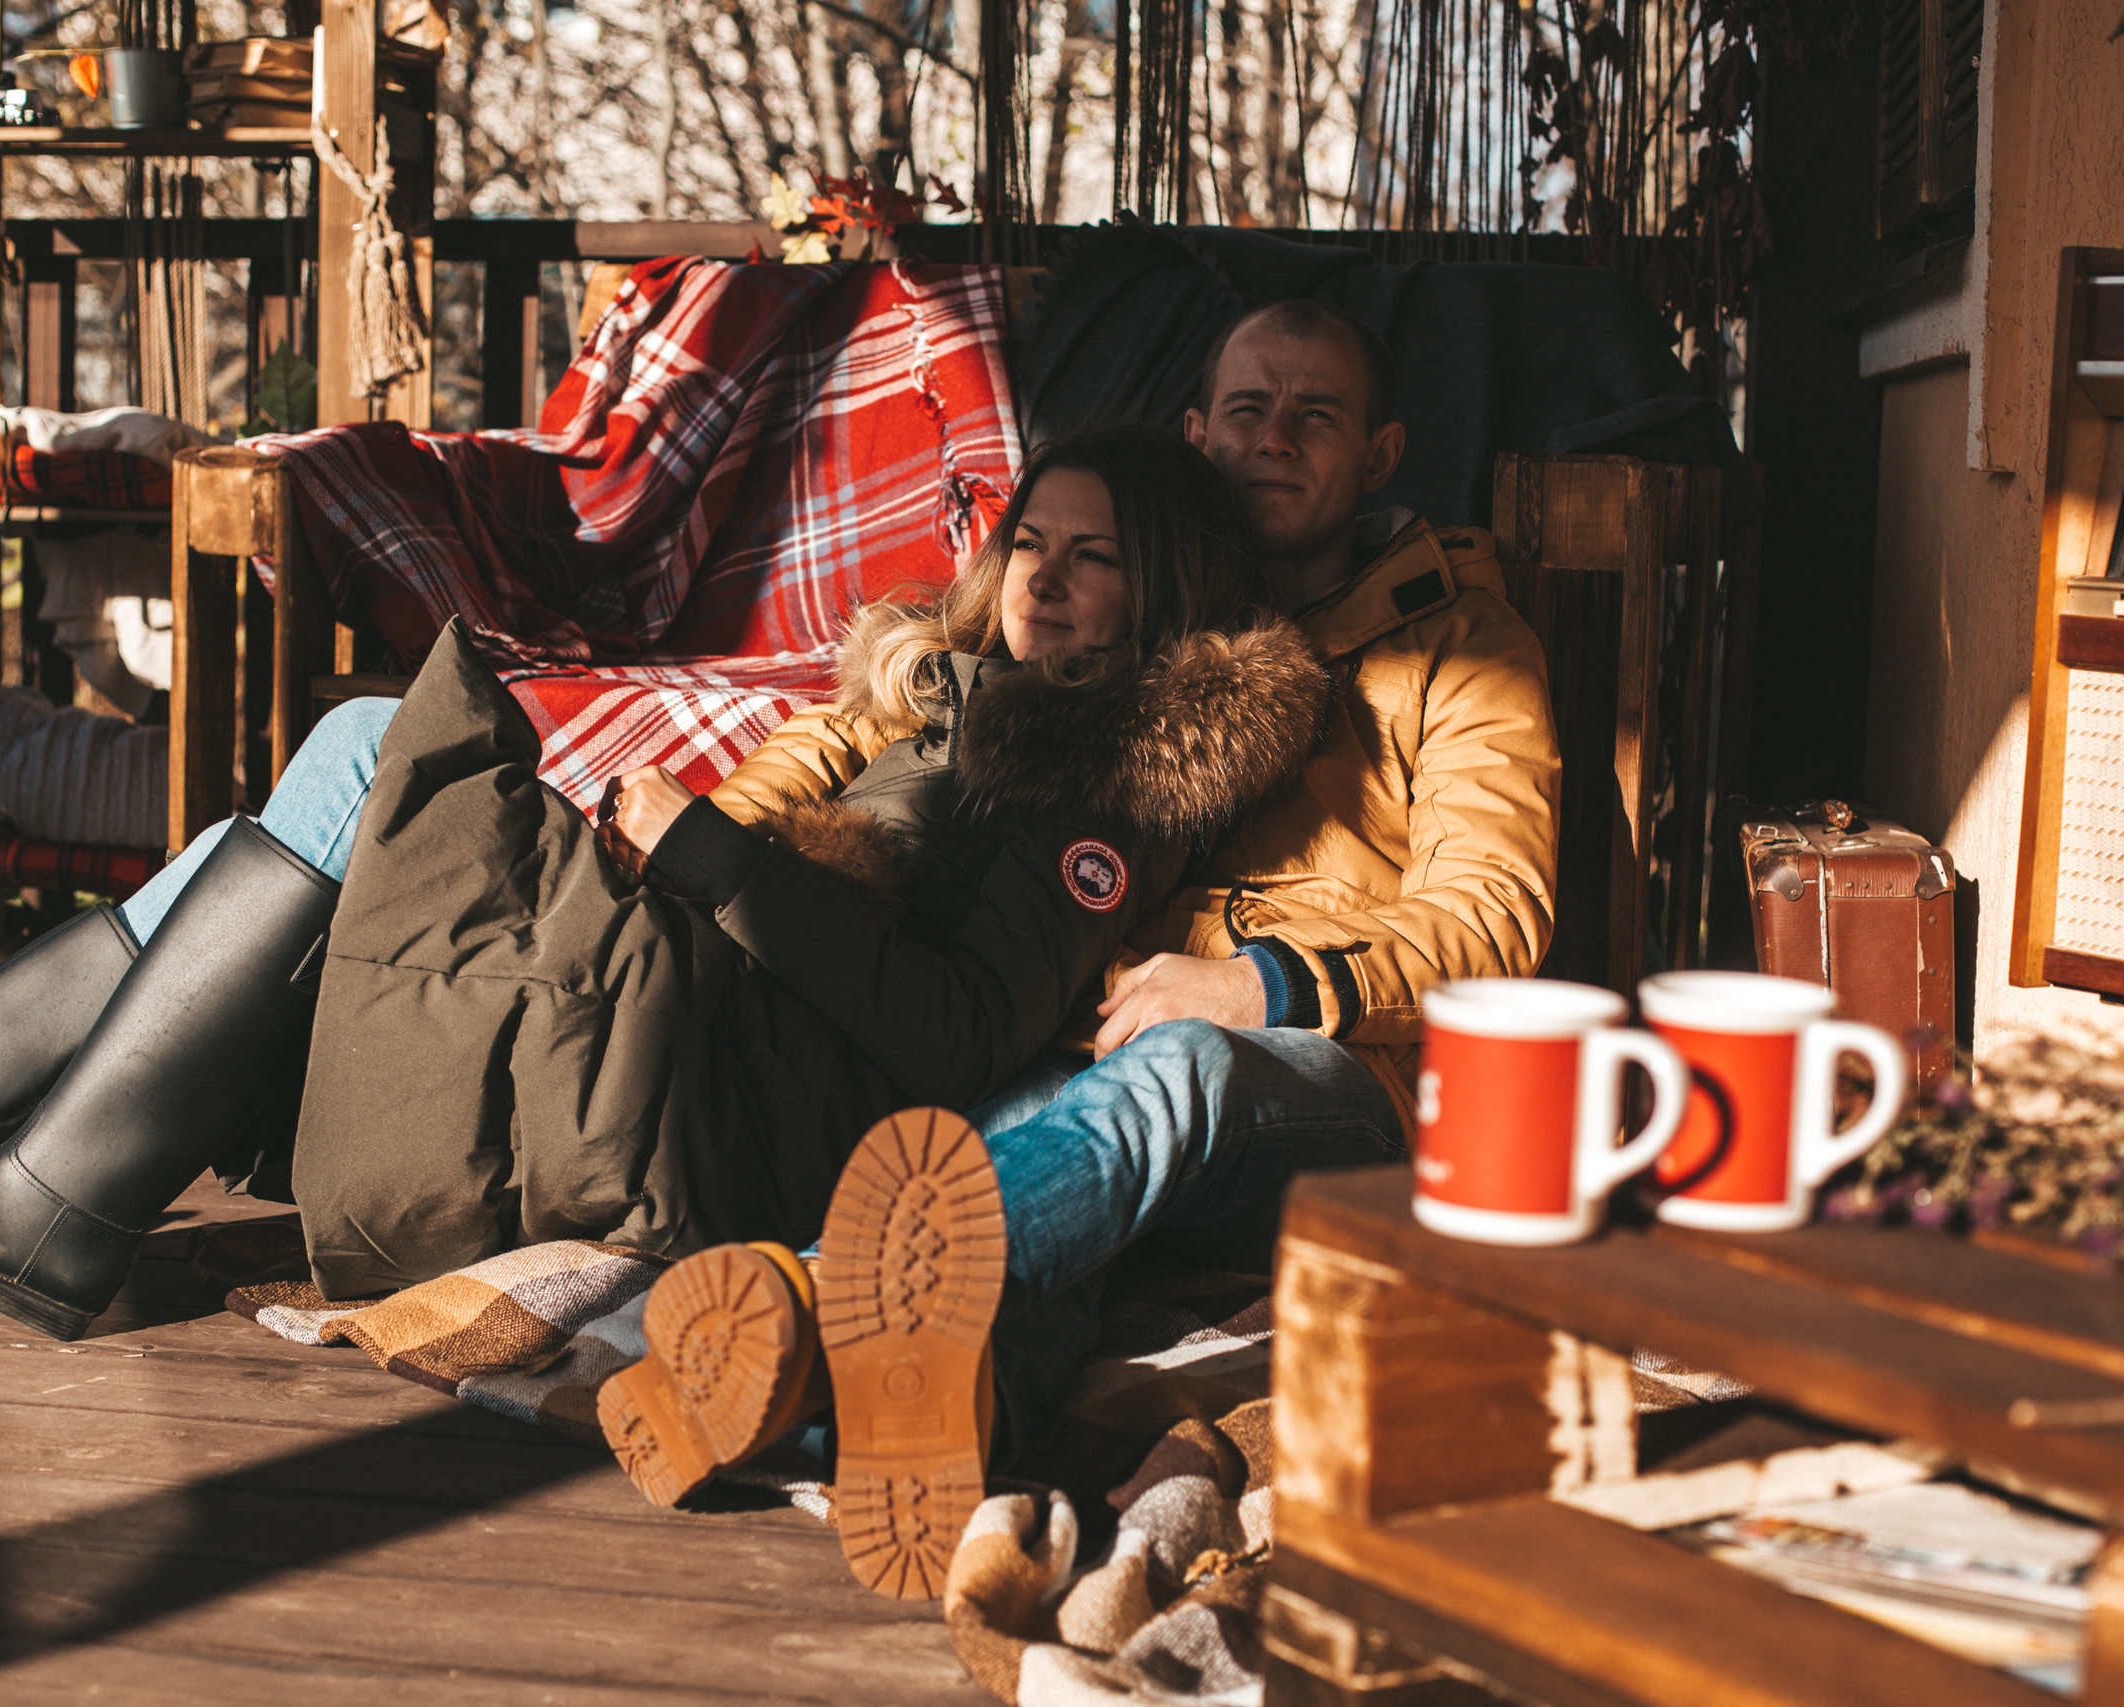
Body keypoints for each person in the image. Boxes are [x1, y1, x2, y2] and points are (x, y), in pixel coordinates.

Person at [0, 428, 1328, 1350]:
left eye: (1090, 555)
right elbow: (771, 822)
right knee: (312, 818)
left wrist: (711, 860)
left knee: (354, 751)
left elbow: (965, 1031)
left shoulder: (1100, 785)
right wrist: (694, 837)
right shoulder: (931, 698)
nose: (1040, 574)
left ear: (1157, 587)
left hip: (721, 1079)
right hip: (679, 994)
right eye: (1028, 539)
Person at [597, 299, 1564, 1599]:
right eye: (1246, 411)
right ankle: (849, 1424)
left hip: (1331, 1082)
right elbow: (882, 717)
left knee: (1183, 1079)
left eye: (1314, 417)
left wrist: (1259, 984)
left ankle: (796, 1310)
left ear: (1381, 455)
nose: (1272, 439)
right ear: (1195, 430)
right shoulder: (1128, 602)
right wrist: (709, 840)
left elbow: (1493, 919)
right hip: (1091, 1051)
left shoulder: (1462, 647)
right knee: (1012, 1197)